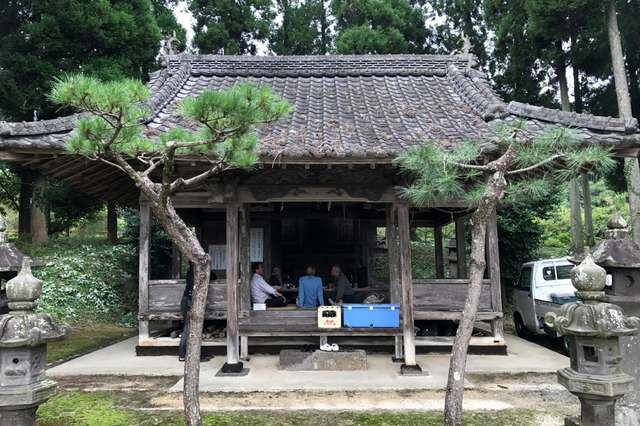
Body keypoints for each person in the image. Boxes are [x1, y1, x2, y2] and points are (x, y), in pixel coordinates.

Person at [178, 264, 193, 362]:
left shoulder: (189, 271)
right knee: (187, 328)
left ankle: (185, 353)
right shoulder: (196, 272)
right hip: (189, 301)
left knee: (187, 328)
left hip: (185, 300)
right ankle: (183, 354)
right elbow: (213, 276)